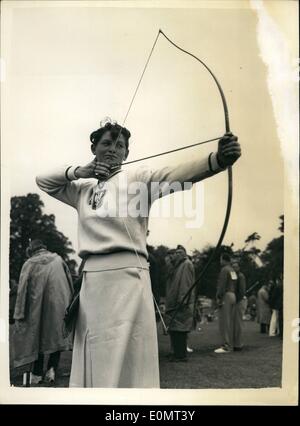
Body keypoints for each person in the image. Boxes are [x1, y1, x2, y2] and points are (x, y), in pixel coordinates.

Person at [36, 118, 241, 387]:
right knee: (96, 354)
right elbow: (43, 180)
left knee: (129, 355)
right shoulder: (81, 189)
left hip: (129, 280)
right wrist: (79, 171)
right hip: (92, 284)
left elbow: (178, 174)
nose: (113, 149)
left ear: (127, 153)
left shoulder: (139, 179)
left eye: (120, 145)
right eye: (106, 143)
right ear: (94, 149)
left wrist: (218, 159)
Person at [13, 239, 73, 385]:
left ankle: (37, 373)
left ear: (31, 250)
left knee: (36, 337)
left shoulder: (29, 264)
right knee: (56, 336)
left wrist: (19, 313)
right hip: (59, 304)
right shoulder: (58, 260)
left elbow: (22, 290)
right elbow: (69, 282)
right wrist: (70, 304)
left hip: (36, 306)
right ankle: (52, 369)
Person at [165, 245, 195, 362]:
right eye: (175, 253)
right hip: (175, 302)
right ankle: (176, 352)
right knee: (175, 328)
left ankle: (181, 355)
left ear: (183, 254)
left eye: (179, 253)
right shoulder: (178, 266)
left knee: (181, 329)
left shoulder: (186, 264)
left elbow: (185, 284)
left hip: (181, 302)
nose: (176, 255)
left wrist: (182, 299)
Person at [214, 253, 238, 353]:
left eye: (221, 260)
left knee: (224, 322)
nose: (220, 262)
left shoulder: (224, 269)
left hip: (226, 296)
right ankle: (230, 344)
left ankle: (226, 346)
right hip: (233, 295)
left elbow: (222, 285)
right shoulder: (232, 270)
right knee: (230, 322)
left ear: (224, 260)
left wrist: (219, 297)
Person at [231, 258, 246, 351]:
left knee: (238, 324)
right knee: (233, 324)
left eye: (236, 266)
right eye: (233, 266)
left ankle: (238, 344)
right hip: (234, 302)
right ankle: (234, 343)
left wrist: (236, 300)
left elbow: (241, 291)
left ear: (239, 267)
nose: (234, 268)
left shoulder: (240, 276)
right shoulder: (233, 275)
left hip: (238, 301)